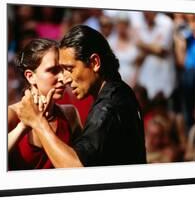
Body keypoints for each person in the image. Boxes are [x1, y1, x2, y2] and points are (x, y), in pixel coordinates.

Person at [17, 25, 146, 167]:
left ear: (95, 63)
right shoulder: (122, 91)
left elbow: (76, 168)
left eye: (69, 69)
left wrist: (38, 123)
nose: (65, 78)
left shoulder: (107, 108)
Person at [8, 38, 82, 170]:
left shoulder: (70, 115)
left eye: (63, 69)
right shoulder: (11, 116)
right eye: (53, 70)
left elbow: (83, 165)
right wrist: (23, 126)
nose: (63, 78)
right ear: (30, 76)